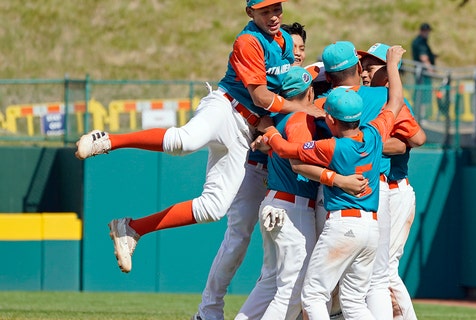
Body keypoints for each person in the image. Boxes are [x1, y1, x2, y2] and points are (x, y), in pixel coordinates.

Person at [74, 0, 325, 276]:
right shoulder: (249, 41)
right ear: (250, 13)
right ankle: (108, 140)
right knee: (185, 141)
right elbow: (261, 97)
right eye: (265, 11)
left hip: (245, 129)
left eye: (276, 8)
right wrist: (302, 107)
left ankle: (133, 228)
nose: (273, 16)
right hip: (226, 107)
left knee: (212, 208)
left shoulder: (284, 43)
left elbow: (285, 88)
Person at [256, 44, 407, 319]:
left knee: (313, 295)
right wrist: (393, 66)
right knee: (356, 299)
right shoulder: (374, 135)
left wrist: (269, 132)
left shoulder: (330, 145)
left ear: (330, 119)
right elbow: (395, 101)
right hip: (372, 225)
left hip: (341, 223)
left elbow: (290, 153)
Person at [193, 20, 311, 320]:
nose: (294, 52)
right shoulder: (261, 79)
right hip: (253, 168)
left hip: (285, 177)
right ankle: (208, 309)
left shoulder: (304, 83)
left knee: (279, 262)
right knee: (237, 238)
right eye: (289, 45)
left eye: (299, 47)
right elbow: (248, 114)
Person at [359, 43, 427, 320]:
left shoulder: (392, 100)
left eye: (372, 68)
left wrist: (361, 143)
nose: (365, 73)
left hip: (395, 190)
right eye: (363, 67)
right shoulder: (371, 98)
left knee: (385, 270)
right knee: (377, 271)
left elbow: (412, 141)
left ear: (389, 72)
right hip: (382, 191)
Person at [411, 22, 437, 124]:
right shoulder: (421, 42)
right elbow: (423, 58)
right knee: (423, 95)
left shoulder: (419, 41)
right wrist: (431, 71)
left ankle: (419, 116)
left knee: (420, 94)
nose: (428, 34)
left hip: (420, 73)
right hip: (423, 74)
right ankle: (421, 117)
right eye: (426, 31)